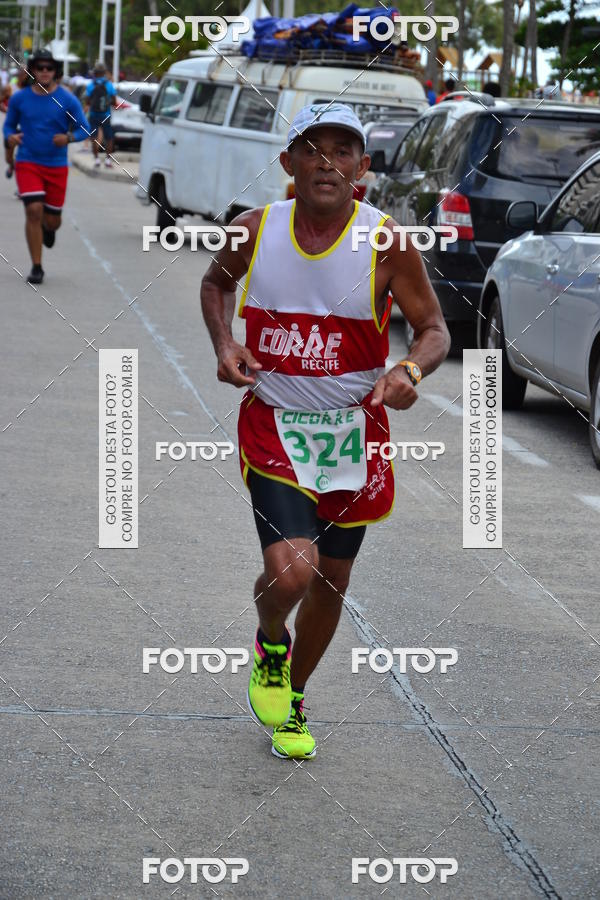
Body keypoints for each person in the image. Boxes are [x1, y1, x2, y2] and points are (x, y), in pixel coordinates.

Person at [201, 104, 450, 759]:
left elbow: (434, 331)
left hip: (354, 436)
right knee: (293, 573)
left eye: (344, 152)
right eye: (312, 149)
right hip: (275, 427)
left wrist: (408, 371)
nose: (327, 162)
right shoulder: (255, 232)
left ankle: (292, 700)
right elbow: (214, 284)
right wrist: (226, 343)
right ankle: (270, 639)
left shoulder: (388, 243)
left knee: (331, 580)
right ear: (288, 163)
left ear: (362, 168)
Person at [3, 49, 90, 284]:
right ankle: (37, 267)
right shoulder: (20, 98)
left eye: (48, 68)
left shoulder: (68, 99)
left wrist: (68, 139)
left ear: (55, 71)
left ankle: (48, 227)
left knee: (52, 221)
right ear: (32, 70)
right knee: (33, 210)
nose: (44, 71)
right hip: (28, 161)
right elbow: (8, 126)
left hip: (56, 165)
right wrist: (10, 138)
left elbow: (85, 128)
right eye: (39, 67)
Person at [85, 61, 116, 168]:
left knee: (94, 137)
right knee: (109, 138)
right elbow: (114, 102)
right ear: (104, 73)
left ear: (95, 73)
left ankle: (97, 159)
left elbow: (88, 101)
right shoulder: (109, 85)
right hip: (106, 114)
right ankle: (108, 160)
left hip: (94, 115)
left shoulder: (90, 85)